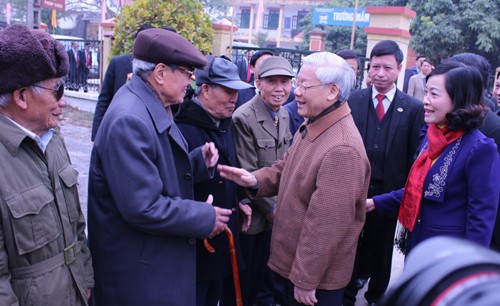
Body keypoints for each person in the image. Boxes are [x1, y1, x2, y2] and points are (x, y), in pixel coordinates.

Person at [87, 28, 232, 306]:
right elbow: (144, 206)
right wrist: (204, 216)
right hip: (139, 274)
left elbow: (153, 171)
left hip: (152, 263)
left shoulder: (151, 103)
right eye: (188, 74)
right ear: (161, 73)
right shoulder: (131, 118)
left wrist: (198, 162)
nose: (190, 83)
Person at [220, 51, 371, 306]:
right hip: (295, 267)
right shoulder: (315, 122)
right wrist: (254, 180)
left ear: (332, 91)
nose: (295, 92)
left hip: (315, 283)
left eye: (302, 84)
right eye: (297, 83)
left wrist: (305, 279)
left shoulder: (342, 148)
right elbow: (286, 167)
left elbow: (327, 225)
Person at [0, 24, 94, 306]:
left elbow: (76, 225)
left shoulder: (52, 140)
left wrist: (86, 279)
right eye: (57, 90)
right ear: (21, 96)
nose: (63, 101)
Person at [367, 61, 500, 255]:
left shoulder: (480, 149)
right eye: (426, 92)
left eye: (434, 94)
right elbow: (419, 189)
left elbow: (481, 220)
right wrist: (375, 203)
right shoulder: (431, 136)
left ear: (459, 99)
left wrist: (467, 269)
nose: (425, 101)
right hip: (419, 245)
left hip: (449, 256)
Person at [344, 40, 425, 306]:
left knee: (382, 250)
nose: (380, 73)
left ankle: (375, 296)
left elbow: (415, 154)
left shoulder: (412, 108)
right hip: (354, 190)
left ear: (399, 69)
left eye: (387, 67)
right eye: (375, 66)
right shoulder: (354, 100)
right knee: (348, 246)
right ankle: (344, 293)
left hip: (388, 194)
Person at [174, 55, 253, 306]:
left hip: (224, 231)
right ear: (205, 90)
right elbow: (175, 183)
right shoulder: (181, 126)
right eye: (228, 91)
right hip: (196, 238)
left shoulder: (223, 121)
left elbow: (230, 165)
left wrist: (239, 199)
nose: (234, 99)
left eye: (237, 91)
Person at [231, 55, 294, 306]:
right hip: (256, 218)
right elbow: (247, 172)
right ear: (258, 82)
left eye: (285, 82)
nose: (279, 89)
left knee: (271, 285)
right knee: (250, 286)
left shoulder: (286, 114)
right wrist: (272, 211)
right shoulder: (243, 117)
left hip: (279, 217)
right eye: (272, 82)